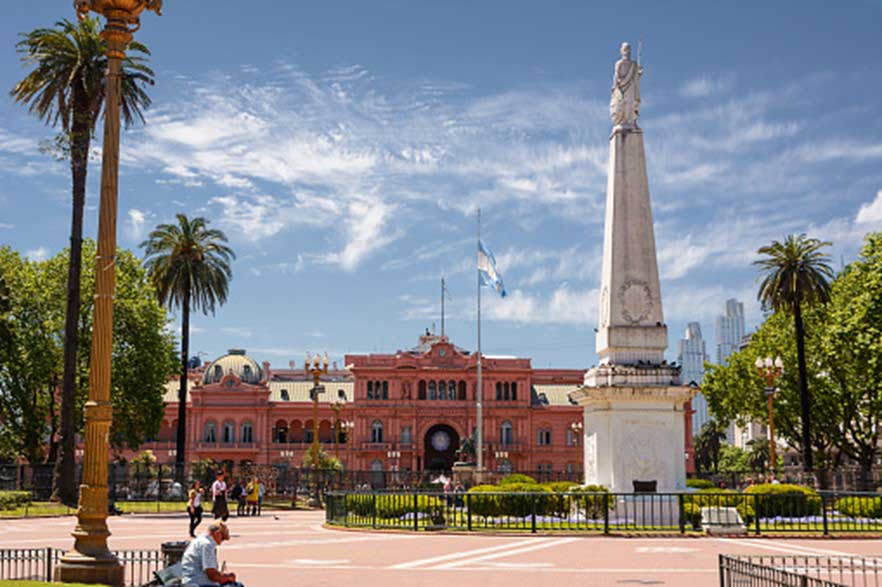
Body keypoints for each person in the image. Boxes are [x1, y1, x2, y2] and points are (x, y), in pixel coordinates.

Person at [181, 521, 244, 587]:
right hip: (199, 583)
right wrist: (228, 577)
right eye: (222, 539)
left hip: (191, 581)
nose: (220, 543)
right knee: (237, 585)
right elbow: (212, 575)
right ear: (218, 533)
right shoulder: (207, 545)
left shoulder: (199, 540)